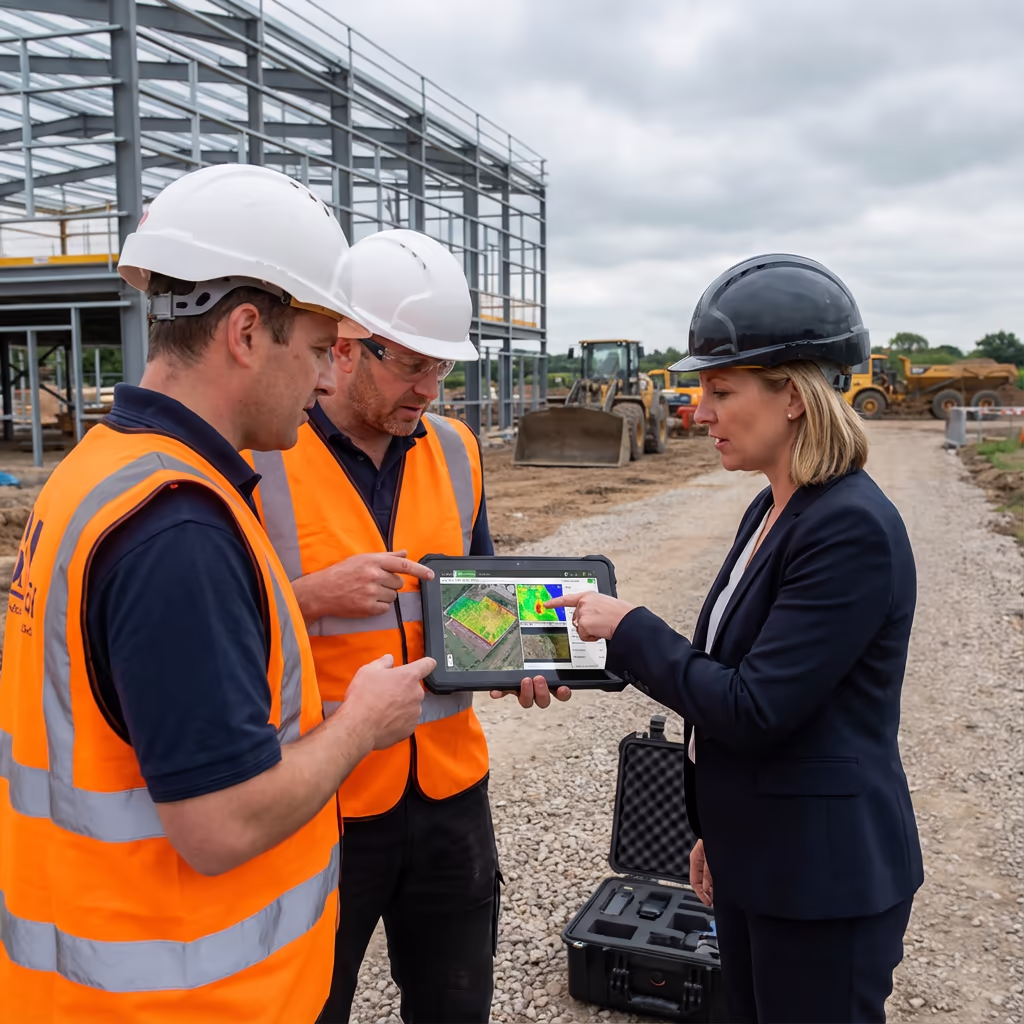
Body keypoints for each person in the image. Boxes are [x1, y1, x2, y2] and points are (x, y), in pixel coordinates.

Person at [0, 165, 434, 1024]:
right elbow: (221, 825)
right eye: (315, 349)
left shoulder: (99, 472)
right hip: (185, 997)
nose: (321, 382)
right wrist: (363, 722)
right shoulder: (180, 530)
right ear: (244, 331)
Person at [547, 255, 924, 1024]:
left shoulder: (849, 528)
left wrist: (629, 629)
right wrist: (720, 834)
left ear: (792, 396)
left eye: (721, 390)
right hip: (765, 859)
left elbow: (754, 706)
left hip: (823, 884)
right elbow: (725, 675)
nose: (699, 410)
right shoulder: (772, 510)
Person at [250, 228, 568, 1024]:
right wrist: (310, 595)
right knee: (313, 1005)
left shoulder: (457, 449)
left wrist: (522, 658)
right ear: (345, 349)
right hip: (325, 795)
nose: (432, 386)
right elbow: (218, 624)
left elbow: (481, 588)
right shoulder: (262, 459)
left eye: (442, 366)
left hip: (451, 788)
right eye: (413, 364)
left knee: (456, 1003)